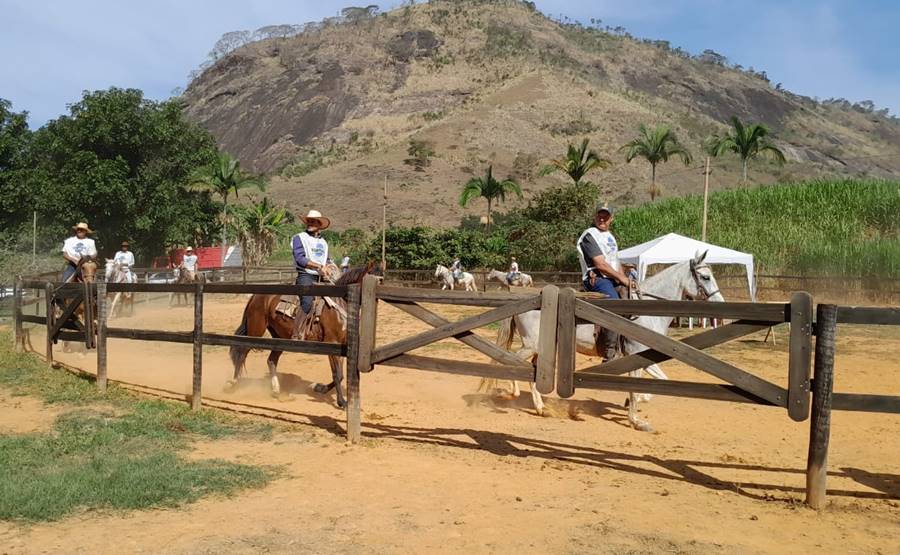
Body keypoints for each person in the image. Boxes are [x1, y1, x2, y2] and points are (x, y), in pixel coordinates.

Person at [576, 203, 634, 360]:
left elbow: (616, 262)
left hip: (612, 278)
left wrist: (626, 281)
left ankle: (628, 342)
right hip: (597, 278)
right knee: (614, 305)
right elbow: (600, 264)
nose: (602, 218)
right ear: (595, 216)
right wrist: (622, 279)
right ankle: (610, 351)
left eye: (606, 216)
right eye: (600, 215)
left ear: (611, 218)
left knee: (633, 300)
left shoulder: (610, 237)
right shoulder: (590, 235)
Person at [292, 209, 332, 315]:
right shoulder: (299, 238)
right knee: (307, 303)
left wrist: (328, 267)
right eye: (309, 221)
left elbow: (327, 259)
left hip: (322, 277)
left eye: (313, 221)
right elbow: (300, 258)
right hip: (306, 275)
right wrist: (318, 266)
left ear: (319, 224)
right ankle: (298, 330)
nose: (309, 224)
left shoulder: (324, 242)